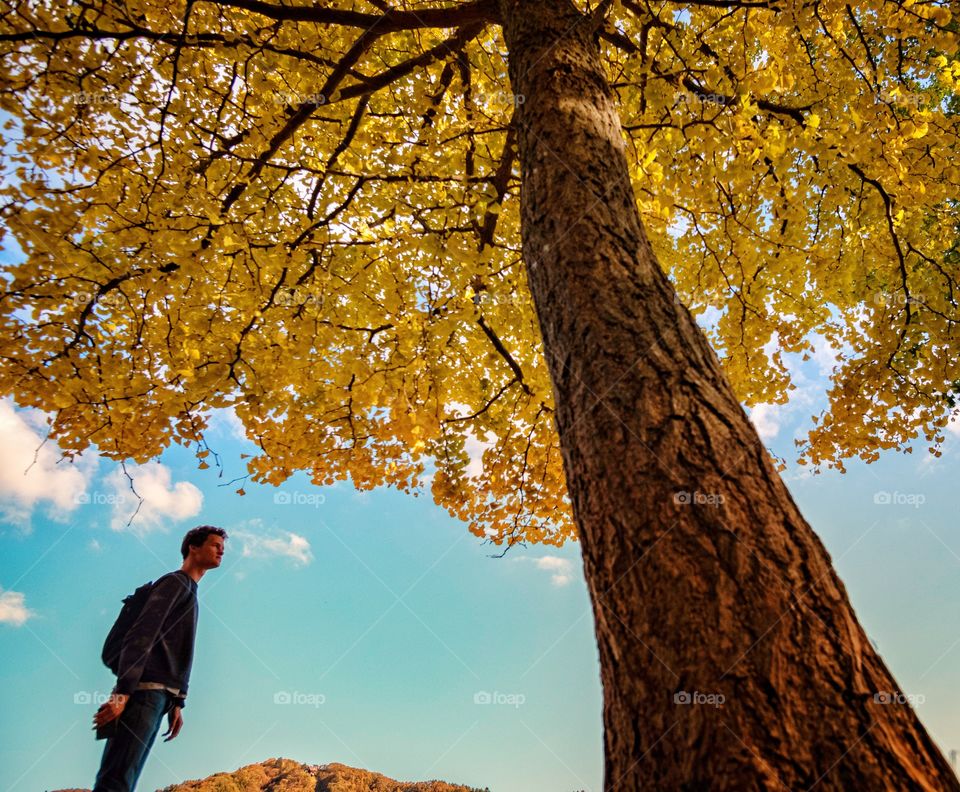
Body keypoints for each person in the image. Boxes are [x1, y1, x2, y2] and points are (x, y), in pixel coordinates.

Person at [91, 525, 227, 792]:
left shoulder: (190, 592)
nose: (221, 550)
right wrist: (123, 692)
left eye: (223, 547)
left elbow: (178, 650)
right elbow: (142, 634)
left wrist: (177, 701)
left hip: (158, 696)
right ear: (193, 547)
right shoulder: (174, 583)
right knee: (117, 779)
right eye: (215, 545)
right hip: (142, 692)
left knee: (123, 777)